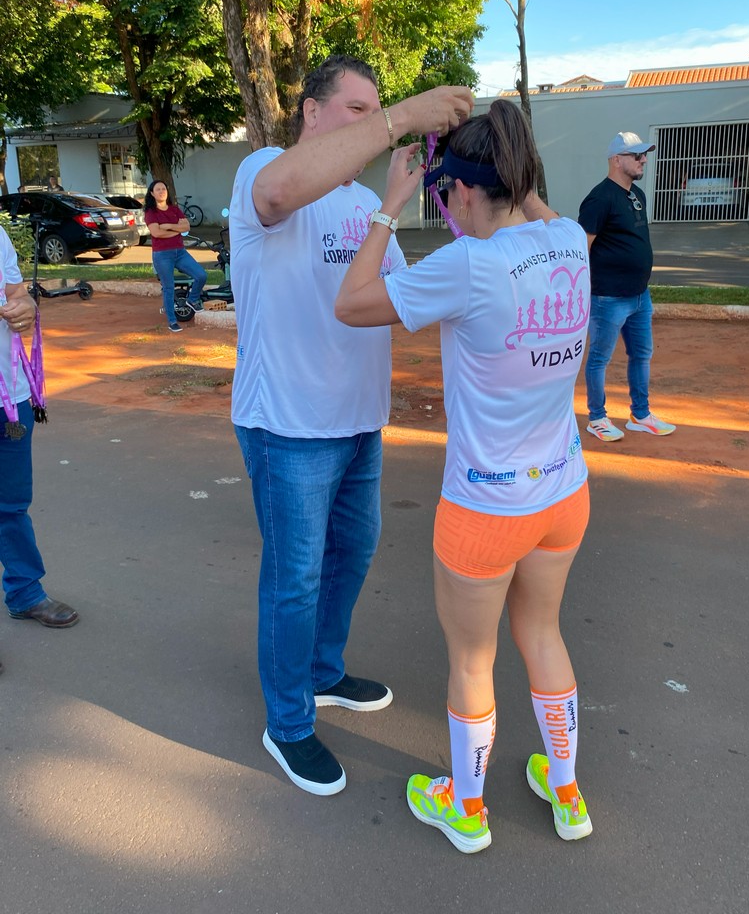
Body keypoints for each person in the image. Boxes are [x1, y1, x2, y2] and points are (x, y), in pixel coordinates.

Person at [336, 99, 593, 852]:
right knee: (542, 634)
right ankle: (567, 793)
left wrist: (388, 207)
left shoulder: (469, 265)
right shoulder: (569, 238)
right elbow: (535, 206)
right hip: (563, 493)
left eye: (447, 195)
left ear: (466, 192)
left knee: (471, 660)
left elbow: (351, 303)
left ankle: (468, 808)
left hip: (486, 506)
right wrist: (507, 153)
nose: (446, 208)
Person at [229, 54, 475, 796]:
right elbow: (279, 192)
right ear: (312, 111)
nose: (373, 123)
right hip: (290, 424)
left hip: (358, 420)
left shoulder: (361, 204)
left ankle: (322, 672)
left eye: (377, 109)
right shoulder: (264, 170)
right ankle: (289, 724)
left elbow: (393, 294)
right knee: (294, 578)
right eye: (357, 109)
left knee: (354, 551)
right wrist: (400, 117)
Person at [0, 223, 79, 660]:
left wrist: (25, 307)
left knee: (11, 507)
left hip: (11, 396)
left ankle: (25, 592)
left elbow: (17, 294)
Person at [578, 132, 676, 442]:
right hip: (608, 297)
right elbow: (584, 249)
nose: (643, 159)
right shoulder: (599, 198)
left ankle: (641, 415)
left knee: (641, 354)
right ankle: (597, 418)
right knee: (599, 358)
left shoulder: (638, 195)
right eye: (636, 155)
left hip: (639, 296)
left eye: (644, 154)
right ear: (617, 160)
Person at [143, 180, 207, 333]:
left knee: (201, 275)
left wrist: (169, 226)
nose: (161, 191)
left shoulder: (175, 209)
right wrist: (176, 230)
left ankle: (192, 300)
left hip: (180, 252)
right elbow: (156, 233)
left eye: (163, 189)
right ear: (152, 193)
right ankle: (172, 321)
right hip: (162, 255)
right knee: (168, 287)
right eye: (157, 189)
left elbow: (186, 227)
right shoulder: (151, 212)